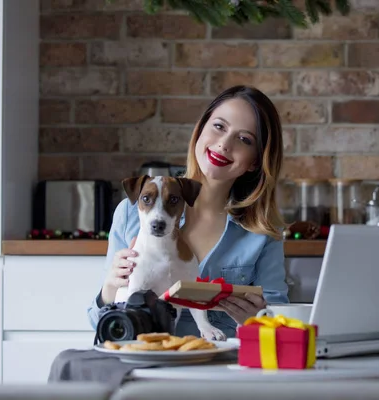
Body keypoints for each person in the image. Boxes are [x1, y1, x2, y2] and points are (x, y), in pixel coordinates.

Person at [87, 85, 289, 338]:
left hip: (224, 368)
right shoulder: (130, 213)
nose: (224, 144)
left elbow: (281, 321)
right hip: (147, 361)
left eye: (244, 139)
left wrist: (258, 319)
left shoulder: (262, 232)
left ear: (256, 161)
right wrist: (110, 287)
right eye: (218, 126)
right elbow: (100, 326)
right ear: (199, 130)